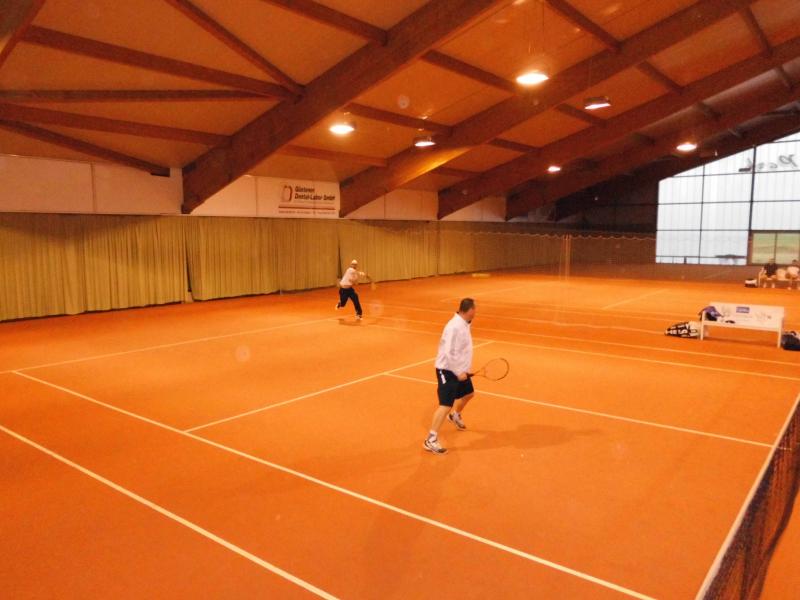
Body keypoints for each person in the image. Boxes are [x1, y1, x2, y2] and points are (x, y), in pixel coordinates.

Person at [424, 298, 476, 455]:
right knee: (445, 405)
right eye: (474, 310)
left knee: (469, 394)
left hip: (460, 370)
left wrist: (464, 369)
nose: (475, 313)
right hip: (447, 370)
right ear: (468, 310)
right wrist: (458, 372)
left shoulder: (465, 323)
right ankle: (430, 440)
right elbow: (448, 353)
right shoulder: (454, 327)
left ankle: (455, 415)